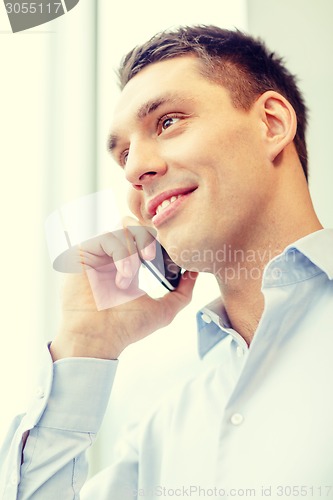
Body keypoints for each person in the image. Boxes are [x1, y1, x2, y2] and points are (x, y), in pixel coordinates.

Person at [1, 24, 333, 500]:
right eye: (124, 156)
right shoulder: (158, 432)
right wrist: (84, 343)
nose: (135, 169)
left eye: (168, 122)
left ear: (272, 124)